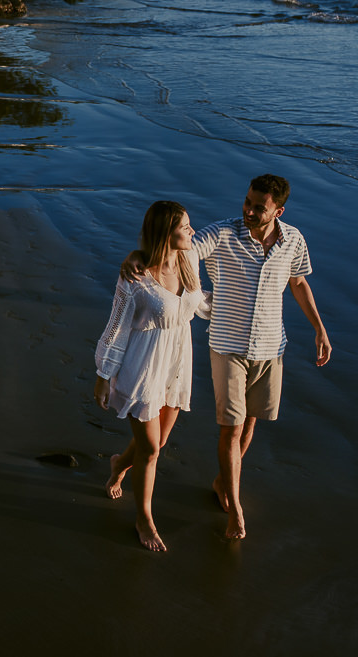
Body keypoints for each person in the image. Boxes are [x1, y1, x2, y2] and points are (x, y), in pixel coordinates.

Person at [120, 174, 331, 540]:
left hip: (270, 346)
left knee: (249, 425)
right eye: (247, 201)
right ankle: (236, 507)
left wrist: (319, 328)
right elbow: (180, 248)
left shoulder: (293, 240)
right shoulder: (222, 233)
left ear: (278, 211)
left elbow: (298, 281)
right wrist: (138, 255)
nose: (248, 210)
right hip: (228, 343)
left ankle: (221, 483)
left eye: (258, 207)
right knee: (231, 429)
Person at [94, 201, 210, 552]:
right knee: (150, 450)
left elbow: (199, 304)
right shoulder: (136, 276)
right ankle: (144, 516)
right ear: (165, 232)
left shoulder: (189, 260)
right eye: (185, 226)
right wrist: (103, 374)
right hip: (142, 366)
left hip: (177, 363)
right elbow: (117, 327)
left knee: (155, 445)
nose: (192, 231)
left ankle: (118, 465)